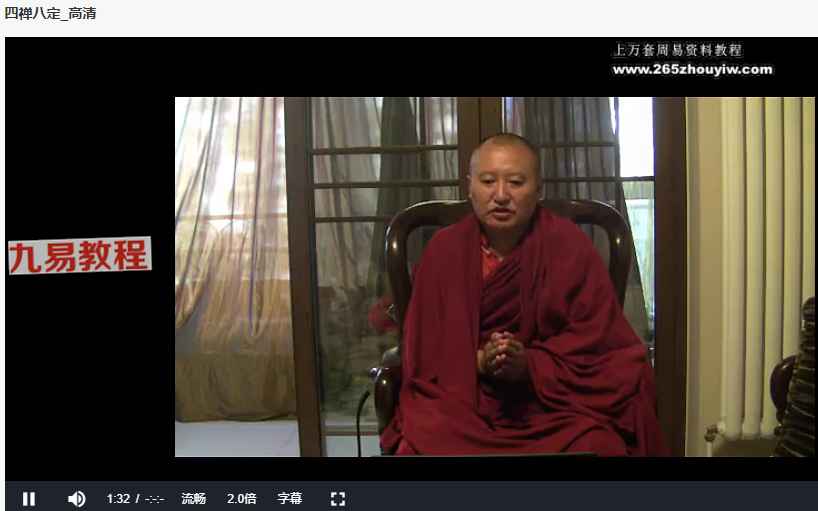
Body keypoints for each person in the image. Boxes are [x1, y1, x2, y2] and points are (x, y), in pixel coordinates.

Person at [380, 133, 668, 456]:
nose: (501, 195)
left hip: (551, 403)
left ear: (538, 189)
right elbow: (423, 350)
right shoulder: (443, 251)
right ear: (470, 187)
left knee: (599, 444)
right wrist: (481, 361)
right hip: (463, 397)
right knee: (421, 440)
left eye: (516, 182)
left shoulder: (568, 245)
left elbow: (598, 343)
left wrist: (530, 364)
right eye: (488, 181)